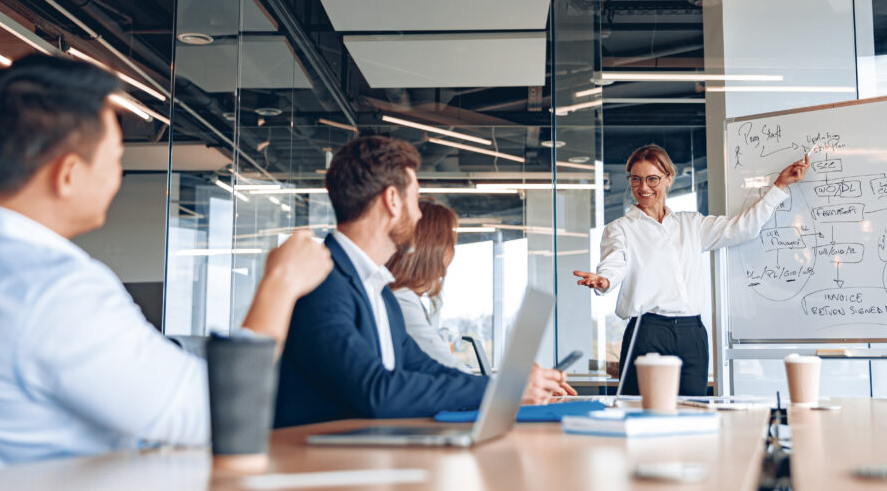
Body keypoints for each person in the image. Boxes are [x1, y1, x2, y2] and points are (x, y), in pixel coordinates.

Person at [0, 54, 333, 468]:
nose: (118, 176)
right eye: (116, 160)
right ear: (69, 174)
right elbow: (214, 415)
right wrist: (280, 285)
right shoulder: (55, 290)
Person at [274, 136, 573, 428]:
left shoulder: (381, 293)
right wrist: (503, 390)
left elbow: (429, 370)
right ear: (392, 200)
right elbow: (376, 391)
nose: (418, 214)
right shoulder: (320, 279)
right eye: (415, 198)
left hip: (364, 454)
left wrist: (510, 386)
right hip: (316, 464)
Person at [574, 144, 808, 396]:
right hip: (647, 331)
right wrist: (604, 280)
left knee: (693, 407)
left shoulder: (692, 224)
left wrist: (779, 187)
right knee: (639, 409)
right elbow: (614, 262)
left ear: (668, 179)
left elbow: (744, 228)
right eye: (636, 179)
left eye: (652, 179)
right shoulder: (621, 229)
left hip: (692, 333)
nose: (643, 187)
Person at [386, 198, 470, 372]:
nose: (452, 253)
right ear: (433, 250)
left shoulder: (404, 298)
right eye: (450, 245)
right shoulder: (401, 301)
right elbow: (445, 366)